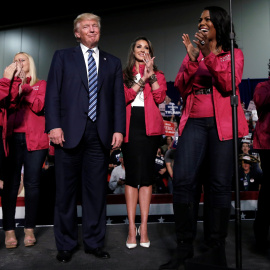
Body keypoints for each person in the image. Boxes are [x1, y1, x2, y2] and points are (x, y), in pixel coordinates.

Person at [159, 6, 248, 269]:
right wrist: (191, 59)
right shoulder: (195, 54)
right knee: (184, 181)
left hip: (222, 124)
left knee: (219, 186)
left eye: (207, 19)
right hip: (195, 123)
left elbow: (228, 83)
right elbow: (181, 85)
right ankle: (184, 248)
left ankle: (215, 248)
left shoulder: (233, 54)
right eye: (200, 19)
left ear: (218, 24)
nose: (201, 22)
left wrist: (207, 55)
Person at [45, 13, 126, 263]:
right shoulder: (62, 56)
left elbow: (117, 100)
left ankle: (94, 243)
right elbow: (52, 95)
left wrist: (118, 129)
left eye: (96, 26)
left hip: (99, 135)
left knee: (95, 193)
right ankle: (66, 245)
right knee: (66, 193)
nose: (92, 30)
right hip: (67, 133)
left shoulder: (112, 61)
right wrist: (54, 126)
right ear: (77, 33)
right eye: (86, 27)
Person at [122, 36, 167, 249]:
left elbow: (159, 98)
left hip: (150, 128)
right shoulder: (122, 75)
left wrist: (151, 76)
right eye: (138, 46)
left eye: (146, 47)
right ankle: (132, 228)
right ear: (133, 50)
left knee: (147, 178)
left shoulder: (158, 74)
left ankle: (145, 227)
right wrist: (141, 80)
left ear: (150, 51)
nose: (142, 49)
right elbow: (123, 97)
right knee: (132, 178)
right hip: (130, 127)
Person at [1, 52, 49, 249]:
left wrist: (25, 87)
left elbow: (39, 106)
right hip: (12, 139)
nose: (19, 63)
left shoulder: (42, 84)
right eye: (15, 60)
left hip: (35, 141)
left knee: (32, 185)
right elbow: (6, 105)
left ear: (30, 63)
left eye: (23, 59)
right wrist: (15, 85)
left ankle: (29, 228)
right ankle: (9, 230)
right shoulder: (7, 84)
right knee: (11, 186)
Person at [252, 70, 270, 251]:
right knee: (268, 190)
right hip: (268, 145)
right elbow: (260, 101)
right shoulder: (262, 87)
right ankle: (261, 238)